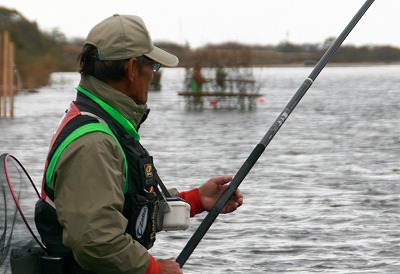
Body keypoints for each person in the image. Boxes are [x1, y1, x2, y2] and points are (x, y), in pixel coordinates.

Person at [34, 14, 243, 274]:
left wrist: (196, 200)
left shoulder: (97, 122)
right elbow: (96, 242)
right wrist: (153, 269)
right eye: (152, 67)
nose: (153, 76)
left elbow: (123, 207)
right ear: (133, 68)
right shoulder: (94, 143)